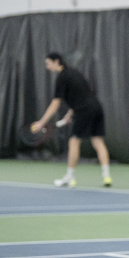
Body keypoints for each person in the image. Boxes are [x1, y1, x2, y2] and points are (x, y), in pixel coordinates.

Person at [32, 53, 112, 188]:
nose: (47, 66)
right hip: (96, 108)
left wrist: (41, 122)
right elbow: (83, 95)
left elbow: (55, 103)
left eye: (48, 63)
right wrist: (70, 113)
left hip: (84, 111)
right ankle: (107, 176)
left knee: (74, 141)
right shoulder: (74, 73)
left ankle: (70, 177)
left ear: (56, 61)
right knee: (98, 141)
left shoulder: (62, 77)